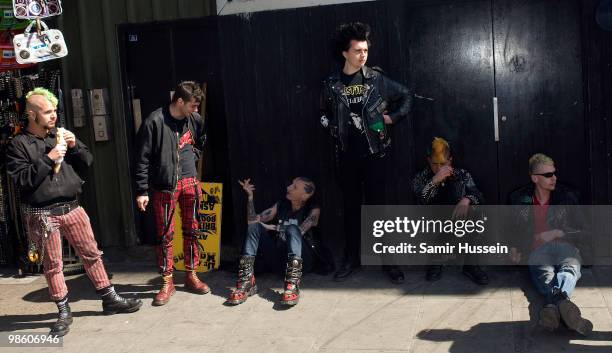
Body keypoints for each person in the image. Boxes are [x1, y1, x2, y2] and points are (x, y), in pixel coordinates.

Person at [6, 88, 142, 337]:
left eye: (55, 111)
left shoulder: (58, 135)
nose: (54, 116)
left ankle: (109, 298)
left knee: (92, 254)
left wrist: (75, 145)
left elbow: (88, 161)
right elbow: (22, 181)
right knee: (54, 265)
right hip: (42, 214)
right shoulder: (18, 144)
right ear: (32, 115)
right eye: (47, 112)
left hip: (72, 206)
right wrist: (49, 158)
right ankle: (63, 310)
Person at [320, 22, 412, 283]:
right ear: (345, 53)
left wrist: (392, 118)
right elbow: (323, 114)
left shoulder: (376, 78)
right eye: (358, 50)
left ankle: (388, 262)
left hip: (375, 156)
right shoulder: (331, 83)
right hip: (346, 156)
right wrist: (331, 127)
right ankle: (352, 259)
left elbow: (406, 95)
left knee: (379, 210)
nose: (363, 55)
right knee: (350, 210)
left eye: (366, 50)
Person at [134, 81, 209, 306]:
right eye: (192, 106)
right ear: (179, 101)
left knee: (192, 230)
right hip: (165, 186)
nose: (195, 110)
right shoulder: (154, 121)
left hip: (190, 181)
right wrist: (142, 190)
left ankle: (191, 274)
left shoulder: (194, 120)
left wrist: (193, 157)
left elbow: (201, 141)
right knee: (165, 235)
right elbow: (141, 159)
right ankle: (167, 281)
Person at [508, 153, 592, 336]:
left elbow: (585, 231)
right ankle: (562, 305)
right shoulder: (519, 199)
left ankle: (552, 306)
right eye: (548, 175)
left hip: (566, 246)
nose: (554, 178)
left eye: (554, 173)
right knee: (544, 272)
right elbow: (512, 230)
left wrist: (557, 232)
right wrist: (513, 248)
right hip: (538, 250)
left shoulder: (568, 196)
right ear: (534, 178)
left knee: (569, 269)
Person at [227, 177, 320, 306]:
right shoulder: (281, 204)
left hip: (302, 260)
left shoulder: (313, 209)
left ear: (305, 195)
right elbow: (252, 222)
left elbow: (300, 231)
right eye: (291, 184)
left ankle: (292, 284)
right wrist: (250, 198)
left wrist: (271, 227)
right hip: (279, 260)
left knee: (293, 229)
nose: (289, 187)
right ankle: (246, 281)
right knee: (254, 227)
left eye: (294, 187)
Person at [412, 137, 489, 284]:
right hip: (433, 223)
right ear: (429, 161)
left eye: (443, 164)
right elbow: (419, 200)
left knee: (476, 212)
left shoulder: (461, 175)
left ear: (450, 161)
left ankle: (471, 265)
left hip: (457, 222)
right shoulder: (422, 177)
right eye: (435, 164)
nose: (439, 168)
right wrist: (434, 181)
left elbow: (479, 196)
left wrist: (467, 200)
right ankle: (435, 261)